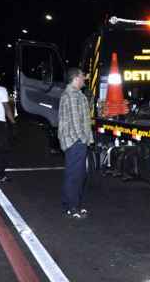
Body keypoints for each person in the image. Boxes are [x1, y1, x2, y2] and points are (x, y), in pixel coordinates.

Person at [58, 67, 94, 219]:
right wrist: (83, 139)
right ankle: (72, 207)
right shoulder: (72, 95)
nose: (84, 78)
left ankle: (73, 204)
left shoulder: (77, 94)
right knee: (74, 174)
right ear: (76, 78)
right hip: (75, 140)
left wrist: (88, 138)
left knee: (78, 174)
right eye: (82, 76)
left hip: (78, 140)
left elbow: (83, 118)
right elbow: (75, 121)